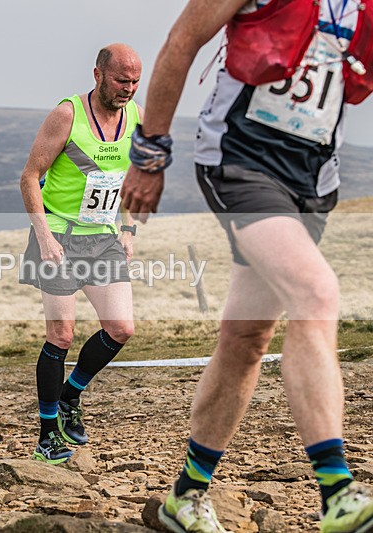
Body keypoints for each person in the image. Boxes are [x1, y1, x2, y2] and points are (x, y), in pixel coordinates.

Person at [121, 1, 373, 531]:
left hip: (312, 180)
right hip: (239, 161)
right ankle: (338, 495)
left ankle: (184, 498)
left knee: (246, 339)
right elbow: (182, 41)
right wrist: (149, 156)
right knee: (316, 292)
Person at [19, 44, 142, 464]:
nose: (128, 89)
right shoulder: (67, 115)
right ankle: (47, 434)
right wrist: (44, 236)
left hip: (102, 237)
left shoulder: (135, 117)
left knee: (121, 328)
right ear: (98, 75)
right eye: (121, 80)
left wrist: (127, 227)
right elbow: (30, 177)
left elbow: (125, 178)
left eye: (134, 81)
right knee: (62, 335)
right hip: (58, 236)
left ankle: (72, 394)